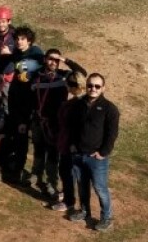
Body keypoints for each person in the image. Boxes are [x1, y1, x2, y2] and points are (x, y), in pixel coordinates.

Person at [30, 49, 86, 199]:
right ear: (44, 59)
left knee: (53, 153)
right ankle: (36, 175)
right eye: (50, 59)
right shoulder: (37, 75)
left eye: (56, 60)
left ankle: (51, 183)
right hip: (37, 120)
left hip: (55, 122)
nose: (53, 62)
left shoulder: (64, 76)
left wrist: (65, 59)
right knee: (38, 149)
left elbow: (82, 73)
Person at [66, 73, 119, 231]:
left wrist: (103, 152)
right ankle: (84, 211)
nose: (93, 89)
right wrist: (72, 145)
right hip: (78, 153)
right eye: (90, 85)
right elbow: (72, 126)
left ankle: (107, 218)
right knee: (82, 185)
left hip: (97, 157)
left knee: (100, 188)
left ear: (103, 88)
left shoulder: (110, 109)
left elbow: (112, 134)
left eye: (97, 86)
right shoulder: (79, 104)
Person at [0, 26, 44, 181]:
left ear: (29, 40)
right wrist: (7, 56)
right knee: (15, 134)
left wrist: (30, 74)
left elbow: (41, 69)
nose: (19, 41)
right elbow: (4, 67)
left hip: (29, 101)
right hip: (15, 98)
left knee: (24, 135)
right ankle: (14, 166)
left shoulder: (36, 53)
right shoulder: (16, 54)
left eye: (22, 39)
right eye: (17, 39)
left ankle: (25, 172)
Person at [51, 74, 84, 213]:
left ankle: (69, 201)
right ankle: (67, 194)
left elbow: (77, 126)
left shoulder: (79, 104)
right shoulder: (74, 102)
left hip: (72, 143)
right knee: (65, 171)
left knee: (68, 172)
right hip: (66, 141)